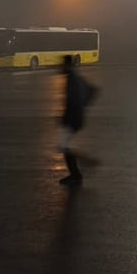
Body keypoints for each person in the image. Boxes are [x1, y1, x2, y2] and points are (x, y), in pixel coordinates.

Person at [59, 54, 96, 185]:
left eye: (62, 64)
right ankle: (77, 171)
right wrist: (84, 106)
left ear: (67, 65)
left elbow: (72, 101)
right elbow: (93, 90)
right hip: (76, 117)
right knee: (64, 146)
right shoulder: (76, 77)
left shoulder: (72, 79)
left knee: (64, 146)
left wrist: (74, 112)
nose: (60, 67)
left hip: (72, 118)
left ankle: (77, 172)